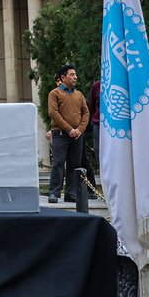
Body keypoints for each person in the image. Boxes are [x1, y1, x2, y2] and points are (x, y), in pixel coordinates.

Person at [47, 65, 89, 204]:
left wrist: (80, 129)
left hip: (77, 135)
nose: (75, 77)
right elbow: (53, 113)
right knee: (58, 163)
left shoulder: (79, 95)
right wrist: (69, 129)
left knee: (74, 164)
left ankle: (71, 193)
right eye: (72, 75)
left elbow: (86, 112)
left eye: (75, 74)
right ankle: (54, 192)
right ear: (63, 77)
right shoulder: (54, 94)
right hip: (60, 134)